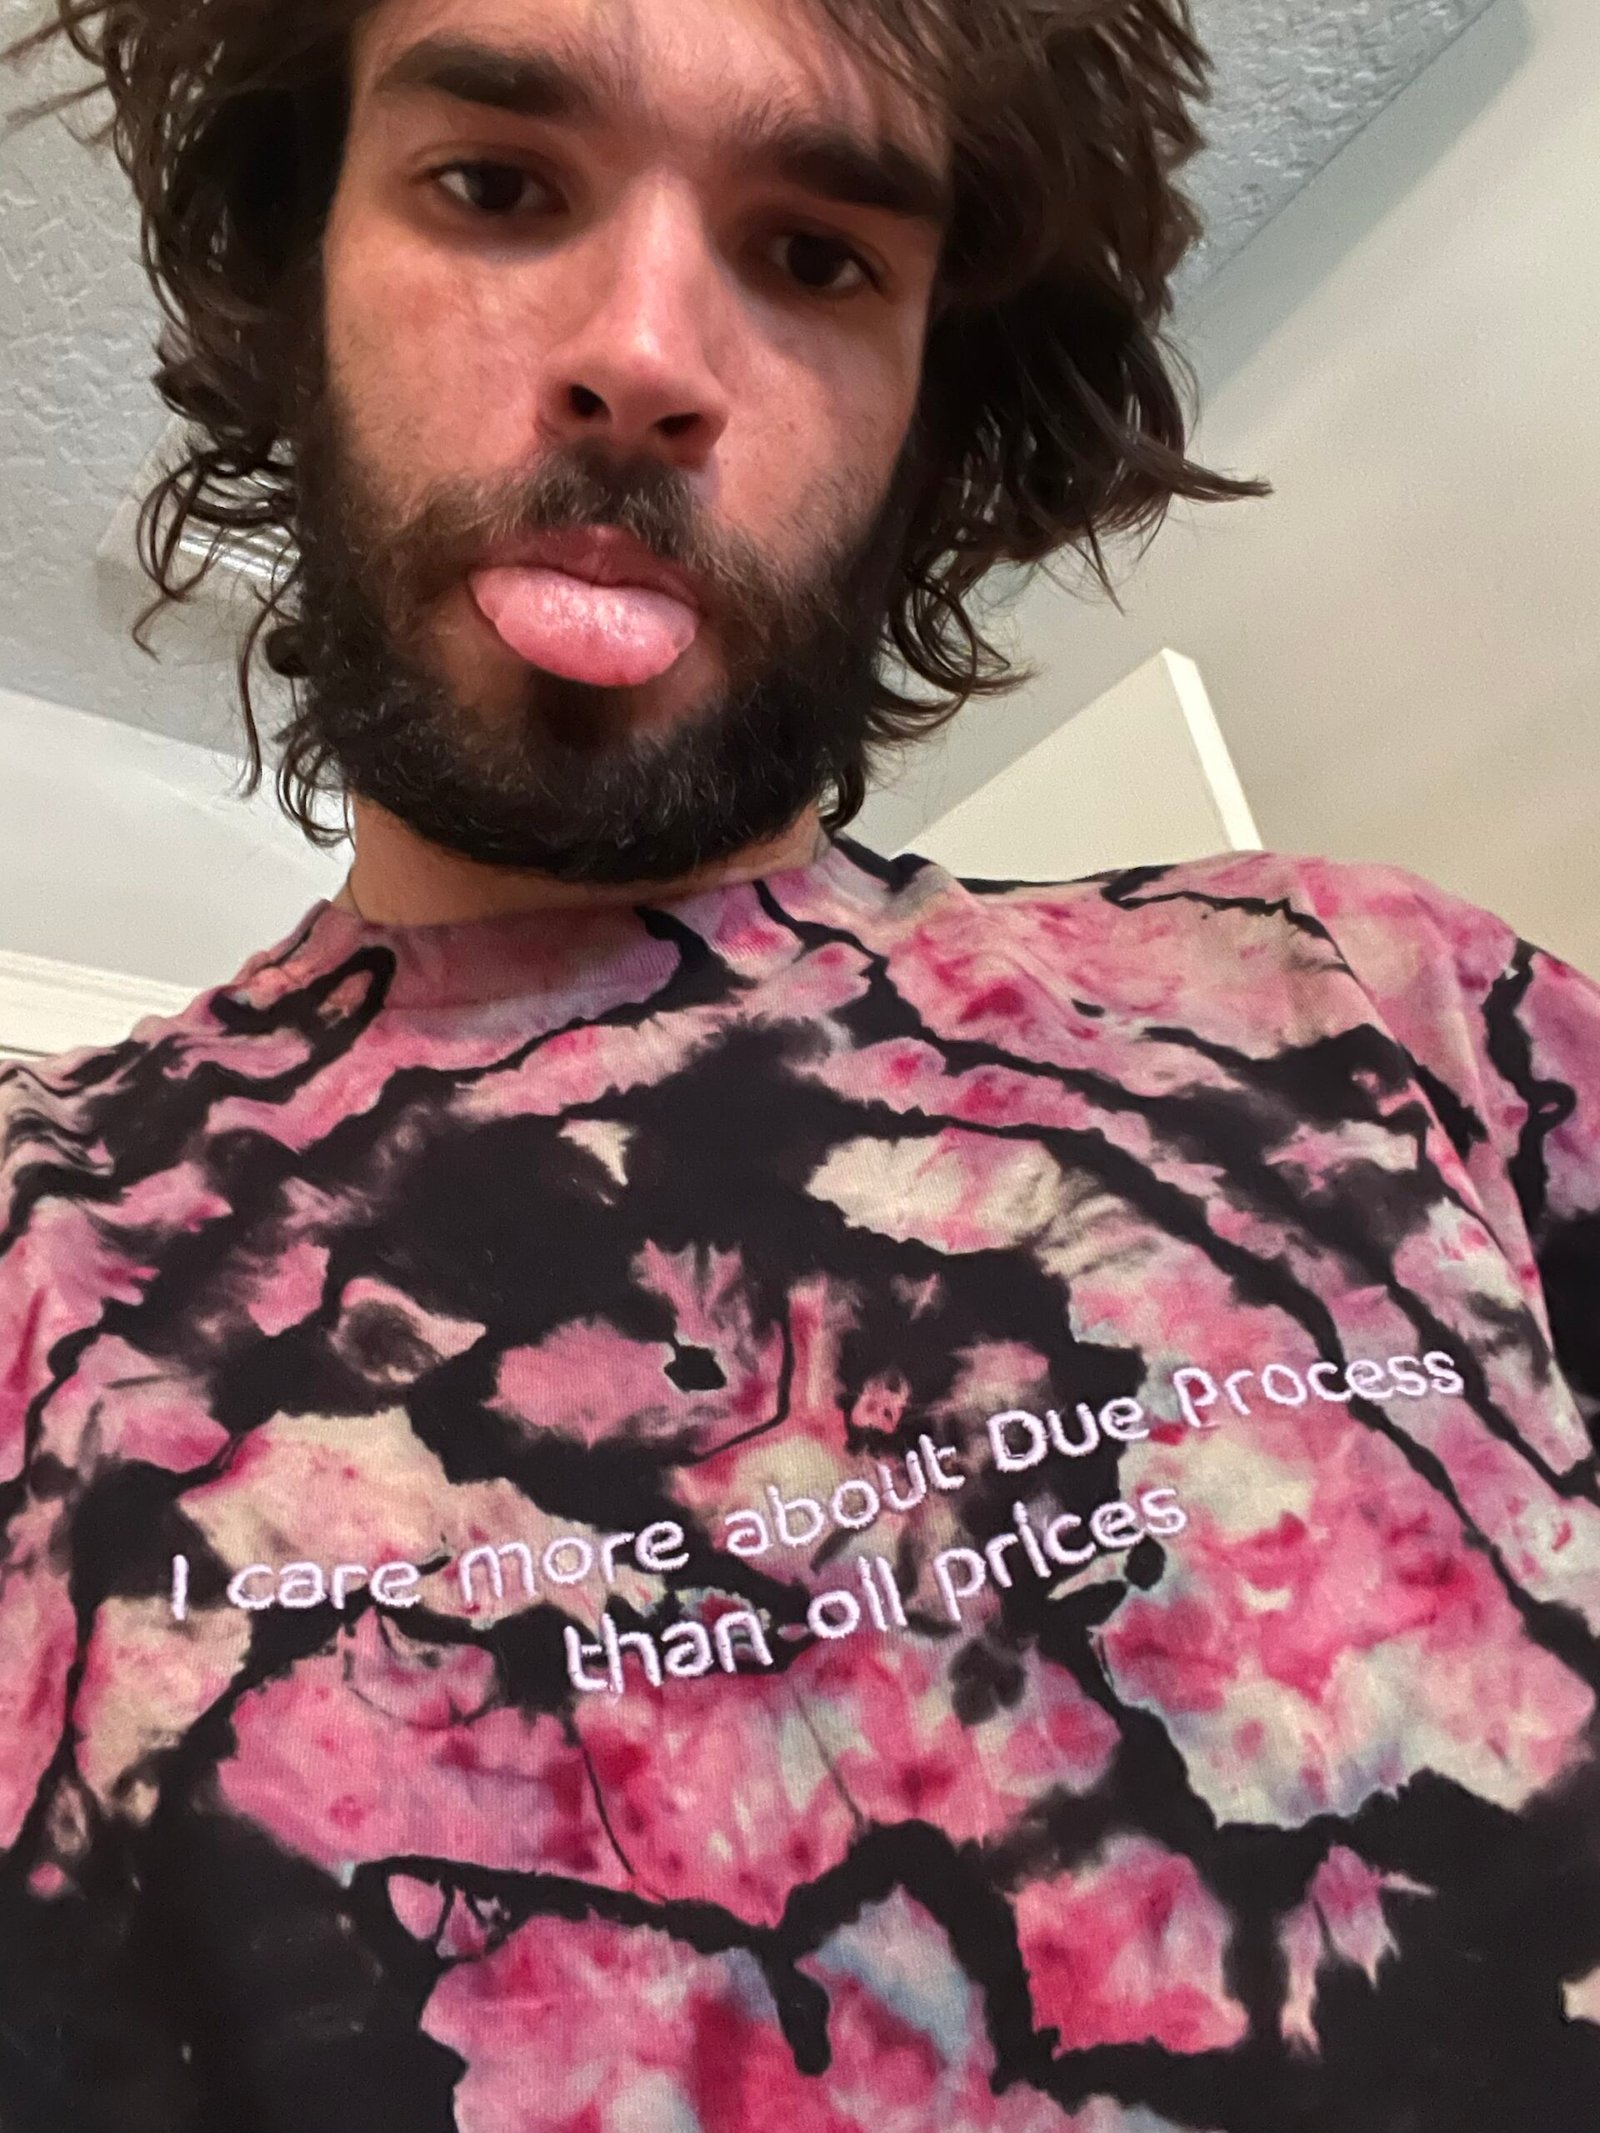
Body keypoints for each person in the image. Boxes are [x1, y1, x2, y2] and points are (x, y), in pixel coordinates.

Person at [0, 0, 1596, 2124]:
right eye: (497, 185)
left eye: (817, 254)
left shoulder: (1386, 1002)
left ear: (926, 417)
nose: (642, 351)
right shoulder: (36, 1258)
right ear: (301, 286)